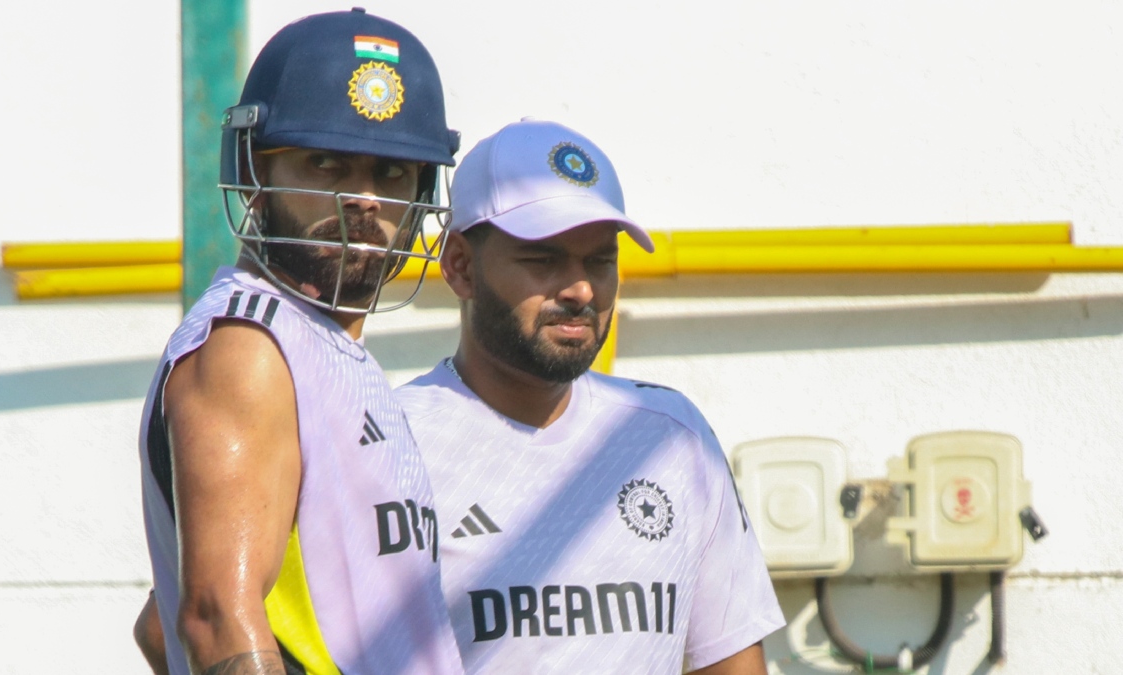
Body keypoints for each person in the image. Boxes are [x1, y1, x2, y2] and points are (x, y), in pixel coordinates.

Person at [134, 9, 465, 675]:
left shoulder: (320, 346)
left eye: (392, 172)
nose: (363, 198)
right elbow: (216, 617)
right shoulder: (251, 346)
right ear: (255, 172)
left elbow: (157, 629)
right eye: (326, 163)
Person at [395, 118, 786, 674]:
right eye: (543, 259)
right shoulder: (391, 444)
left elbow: (730, 663)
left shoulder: (669, 436)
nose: (580, 289)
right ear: (460, 266)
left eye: (600, 261)